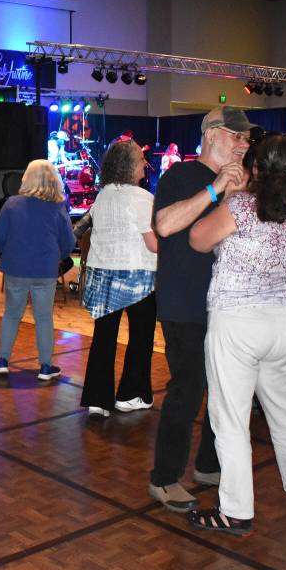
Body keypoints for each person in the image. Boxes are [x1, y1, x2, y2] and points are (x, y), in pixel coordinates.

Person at [186, 134, 286, 536]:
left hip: (239, 321)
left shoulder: (240, 207)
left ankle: (236, 511)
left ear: (255, 168)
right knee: (285, 409)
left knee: (230, 418)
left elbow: (196, 239)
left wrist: (231, 195)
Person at [148, 105, 252, 513]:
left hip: (226, 301)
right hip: (184, 301)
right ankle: (164, 478)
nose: (243, 144)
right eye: (236, 136)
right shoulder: (182, 176)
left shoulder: (242, 183)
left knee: (224, 390)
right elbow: (164, 225)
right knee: (188, 388)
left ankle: (208, 465)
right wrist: (216, 190)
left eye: (246, 139)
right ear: (211, 134)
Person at [79, 141, 158, 418]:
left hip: (103, 274)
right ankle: (131, 394)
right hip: (137, 276)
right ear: (130, 166)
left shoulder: (103, 196)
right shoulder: (142, 198)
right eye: (140, 160)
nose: (144, 165)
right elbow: (153, 244)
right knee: (140, 337)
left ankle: (97, 398)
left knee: (104, 338)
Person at [0, 160, 75, 382]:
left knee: (11, 314)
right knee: (44, 317)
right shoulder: (58, 207)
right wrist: (57, 256)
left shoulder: (11, 204)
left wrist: (4, 250)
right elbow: (69, 242)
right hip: (45, 270)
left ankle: (2, 361)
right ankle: (45, 366)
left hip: (15, 267)